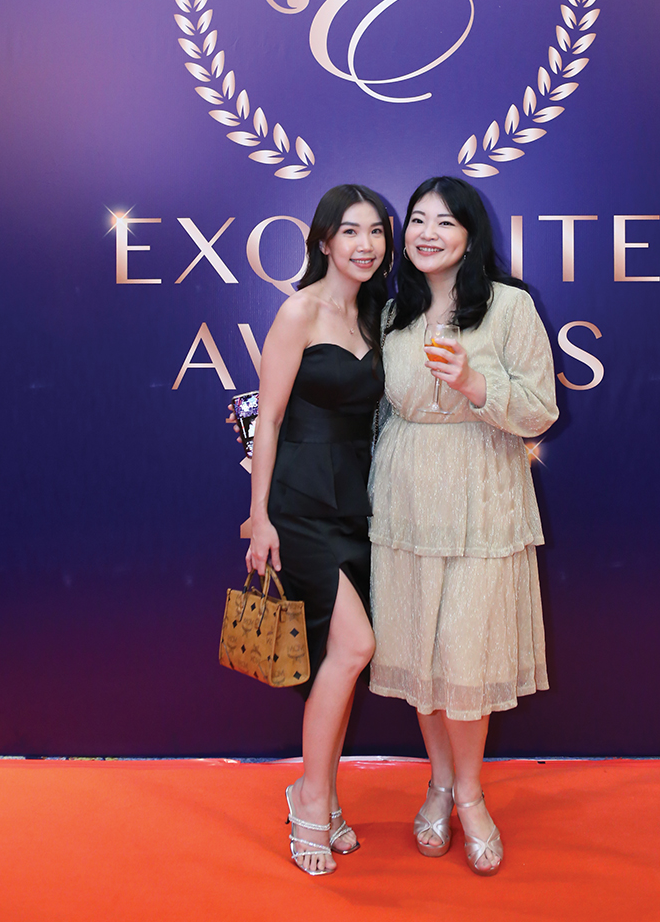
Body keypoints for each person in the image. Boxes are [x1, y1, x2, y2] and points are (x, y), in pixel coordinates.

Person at [369, 176, 558, 876]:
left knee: (465, 652)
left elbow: (541, 411)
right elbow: (372, 407)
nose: (427, 234)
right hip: (407, 497)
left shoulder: (510, 306)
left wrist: (478, 385)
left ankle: (471, 796)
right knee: (422, 649)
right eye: (417, 220)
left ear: (471, 235)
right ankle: (439, 785)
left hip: (484, 494)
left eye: (444, 222)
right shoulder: (393, 312)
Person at [239, 184, 392, 876]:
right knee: (354, 645)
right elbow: (267, 420)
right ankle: (309, 799)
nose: (366, 245)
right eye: (351, 231)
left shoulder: (380, 316)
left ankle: (321, 796)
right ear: (324, 241)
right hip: (300, 500)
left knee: (339, 658)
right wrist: (260, 517)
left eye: (377, 232)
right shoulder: (298, 311)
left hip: (359, 502)